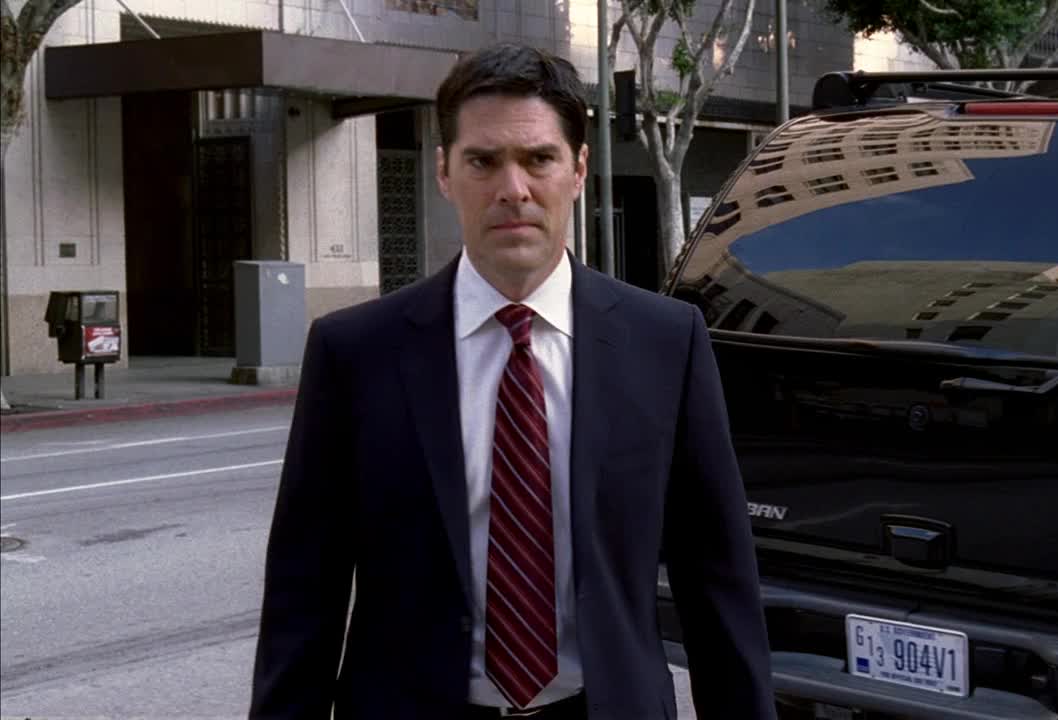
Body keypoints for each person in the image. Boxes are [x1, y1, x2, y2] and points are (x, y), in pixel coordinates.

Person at [248, 42, 775, 720]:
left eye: (538, 159)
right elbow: (304, 592)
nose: (513, 189)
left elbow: (717, 583)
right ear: (444, 172)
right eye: (484, 161)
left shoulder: (666, 343)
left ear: (577, 170)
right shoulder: (355, 353)